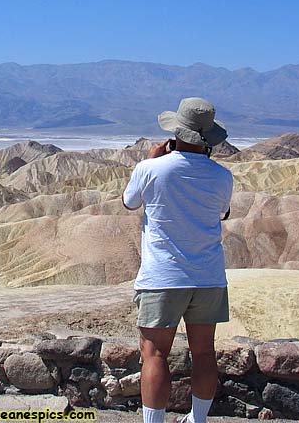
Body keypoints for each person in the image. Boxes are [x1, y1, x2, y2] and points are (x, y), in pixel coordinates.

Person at [122, 97, 234, 423]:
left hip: (163, 278)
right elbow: (223, 213)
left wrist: (150, 160)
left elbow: (130, 202)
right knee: (204, 353)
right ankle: (197, 420)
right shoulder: (222, 176)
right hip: (209, 277)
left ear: (176, 133)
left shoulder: (151, 169)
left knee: (155, 354)